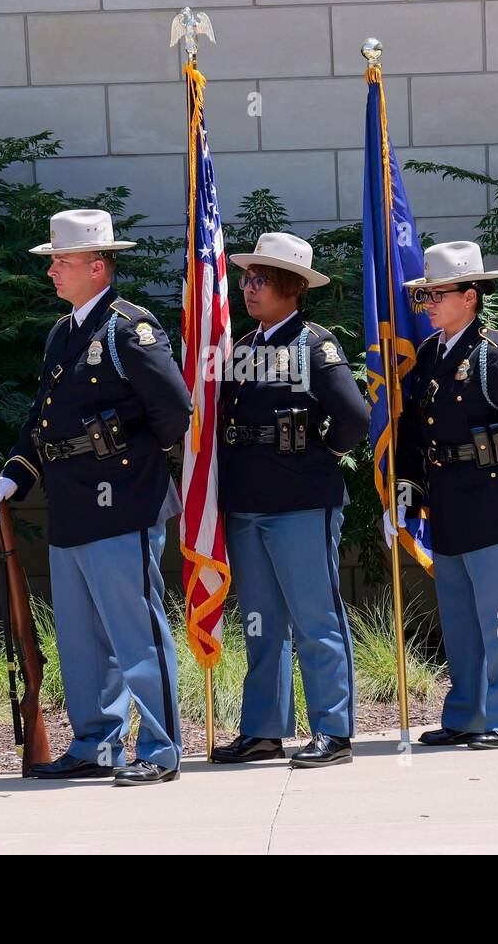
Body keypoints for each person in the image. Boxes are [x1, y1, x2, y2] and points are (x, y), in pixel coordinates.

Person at [0, 208, 193, 785]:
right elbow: (41, 418)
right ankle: (97, 744)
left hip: (123, 500)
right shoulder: (64, 332)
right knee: (81, 639)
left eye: (62, 261)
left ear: (97, 266)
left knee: (136, 632)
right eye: (52, 261)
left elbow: (174, 411)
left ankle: (160, 748)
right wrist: (15, 475)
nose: (52, 271)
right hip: (72, 501)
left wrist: (130, 462)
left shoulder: (130, 329)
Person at [210, 232, 371, 769]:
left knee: (315, 617)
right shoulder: (245, 346)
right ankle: (263, 730)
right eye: (247, 278)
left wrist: (316, 454)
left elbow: (353, 416)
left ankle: (334, 728)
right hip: (248, 499)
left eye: (261, 280)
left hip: (301, 500)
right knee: (260, 621)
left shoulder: (315, 344)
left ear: (292, 287)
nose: (248, 288)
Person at [391, 241, 498, 750]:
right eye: (425, 295)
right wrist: (410, 486)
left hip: (494, 499)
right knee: (459, 620)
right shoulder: (433, 353)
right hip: (449, 499)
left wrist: (489, 463)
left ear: (471, 296)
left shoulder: (495, 353)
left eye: (438, 294)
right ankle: (467, 715)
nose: (429, 303)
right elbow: (416, 430)